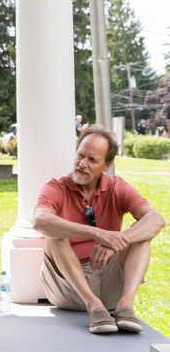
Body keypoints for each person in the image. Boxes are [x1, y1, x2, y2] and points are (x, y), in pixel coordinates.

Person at [33, 125, 165, 334]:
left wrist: (119, 241)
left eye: (92, 160)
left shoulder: (117, 187)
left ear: (107, 164)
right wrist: (97, 233)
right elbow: (40, 221)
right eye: (80, 156)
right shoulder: (56, 187)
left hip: (109, 280)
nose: (82, 164)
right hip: (67, 288)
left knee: (142, 233)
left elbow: (156, 219)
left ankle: (125, 306)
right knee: (56, 232)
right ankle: (93, 306)